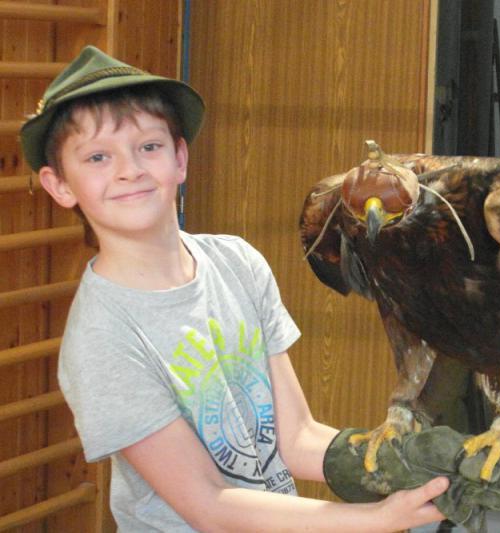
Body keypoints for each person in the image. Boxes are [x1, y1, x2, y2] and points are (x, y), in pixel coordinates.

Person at [21, 45, 448, 532]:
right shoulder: (102, 338)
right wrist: (375, 519)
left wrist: (409, 464)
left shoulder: (237, 262)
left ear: (180, 158)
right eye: (98, 157)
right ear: (60, 186)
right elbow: (209, 504)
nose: (129, 169)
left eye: (149, 147)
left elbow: (297, 438)